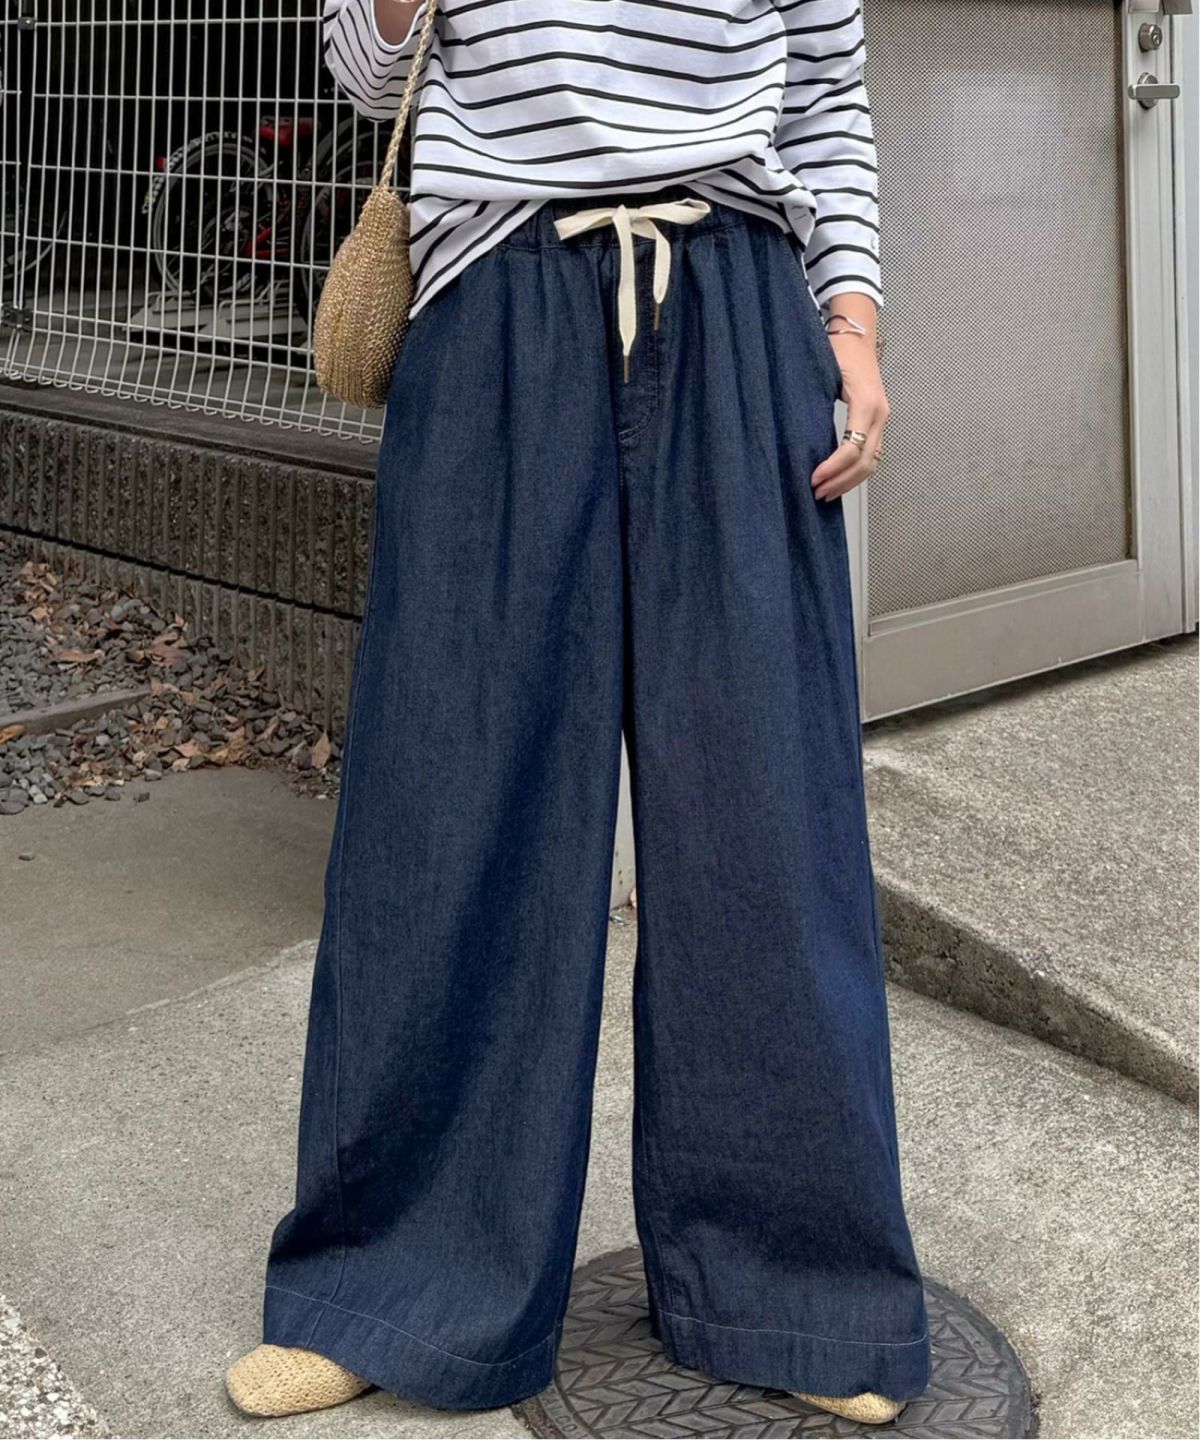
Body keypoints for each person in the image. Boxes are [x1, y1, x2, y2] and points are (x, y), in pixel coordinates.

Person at [226, 0, 931, 1426]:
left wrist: (852, 324)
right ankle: (390, 1281)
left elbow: (826, 97)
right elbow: (363, 71)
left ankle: (795, 1289)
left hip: (738, 305)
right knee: (449, 801)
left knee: (763, 813)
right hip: (495, 304)